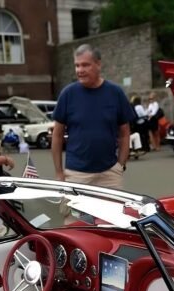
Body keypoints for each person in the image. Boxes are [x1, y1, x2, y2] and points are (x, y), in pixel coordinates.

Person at [51, 44, 134, 189]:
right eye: (77, 66)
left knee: (112, 212)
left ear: (98, 64)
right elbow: (57, 136)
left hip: (109, 174)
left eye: (85, 65)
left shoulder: (115, 93)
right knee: (72, 213)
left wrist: (120, 165)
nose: (80, 70)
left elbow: (125, 133)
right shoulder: (68, 94)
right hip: (76, 175)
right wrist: (59, 173)